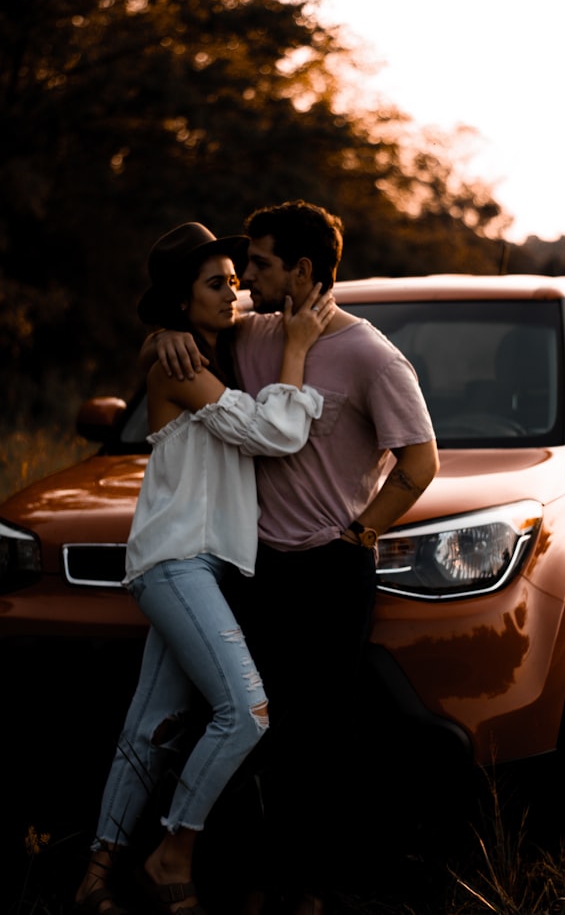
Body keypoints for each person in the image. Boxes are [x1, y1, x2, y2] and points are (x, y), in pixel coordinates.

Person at [149, 201, 439, 914]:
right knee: (253, 727)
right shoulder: (250, 334)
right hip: (257, 568)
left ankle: (308, 887)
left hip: (332, 568)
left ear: (301, 271)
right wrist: (161, 330)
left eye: (261, 265)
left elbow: (421, 462)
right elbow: (190, 331)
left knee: (321, 737)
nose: (246, 279)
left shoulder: (372, 355)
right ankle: (248, 879)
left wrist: (362, 531)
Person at [75, 222, 335, 915]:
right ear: (179, 299)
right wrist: (299, 352)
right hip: (175, 560)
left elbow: (257, 310)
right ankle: (173, 852)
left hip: (201, 567)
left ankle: (96, 876)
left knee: (149, 727)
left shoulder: (204, 347)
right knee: (246, 711)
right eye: (216, 283)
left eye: (235, 278)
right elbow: (276, 432)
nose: (236, 292)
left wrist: (165, 330)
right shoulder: (179, 364)